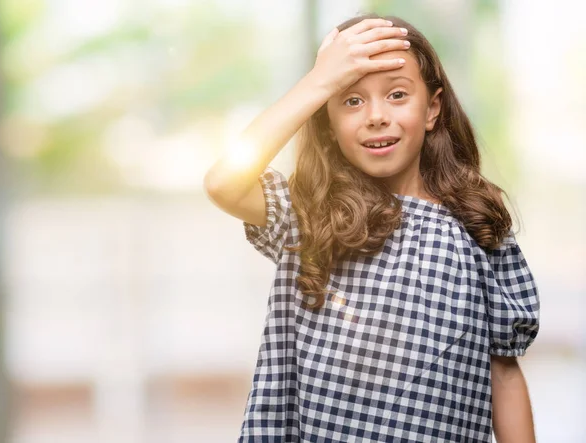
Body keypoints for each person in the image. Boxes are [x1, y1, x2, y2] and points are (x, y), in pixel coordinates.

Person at [204, 13, 540, 443]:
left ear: (432, 108)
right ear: (326, 119)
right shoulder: (308, 213)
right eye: (351, 100)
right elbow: (223, 183)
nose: (376, 116)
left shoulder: (477, 223)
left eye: (397, 94)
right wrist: (318, 82)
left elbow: (504, 372)